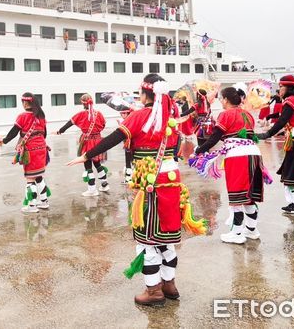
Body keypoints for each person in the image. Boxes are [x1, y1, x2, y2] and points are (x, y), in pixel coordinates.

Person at [67, 74, 207, 306]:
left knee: (147, 241)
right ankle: (169, 285)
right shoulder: (170, 119)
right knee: (166, 239)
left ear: (145, 94)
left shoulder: (142, 116)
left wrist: (86, 155)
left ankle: (153, 292)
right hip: (172, 182)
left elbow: (114, 138)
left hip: (149, 184)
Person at [193, 87, 266, 244]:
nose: (220, 101)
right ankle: (252, 230)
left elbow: (214, 138)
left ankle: (237, 233)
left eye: (221, 98)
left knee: (237, 195)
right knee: (249, 195)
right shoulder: (247, 114)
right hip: (254, 154)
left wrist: (199, 150)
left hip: (237, 156)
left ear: (226, 99)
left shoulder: (225, 114)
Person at [257, 75, 294, 214]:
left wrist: (267, 134)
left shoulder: (290, 101)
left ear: (289, 87)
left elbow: (282, 121)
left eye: (281, 86)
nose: (279, 89)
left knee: (293, 173)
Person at [0, 93, 50, 213]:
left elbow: (14, 132)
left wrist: (4, 140)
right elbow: (44, 134)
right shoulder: (41, 116)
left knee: (30, 178)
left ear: (25, 103)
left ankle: (32, 206)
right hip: (42, 148)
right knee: (39, 176)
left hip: (30, 150)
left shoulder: (22, 116)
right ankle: (44, 201)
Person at [57, 94, 109, 196]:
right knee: (97, 163)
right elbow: (103, 125)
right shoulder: (99, 113)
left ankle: (92, 189)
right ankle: (104, 184)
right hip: (98, 140)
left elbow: (69, 123)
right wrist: (96, 132)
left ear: (82, 103)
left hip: (87, 141)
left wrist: (60, 131)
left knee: (87, 164)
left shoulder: (81, 114)